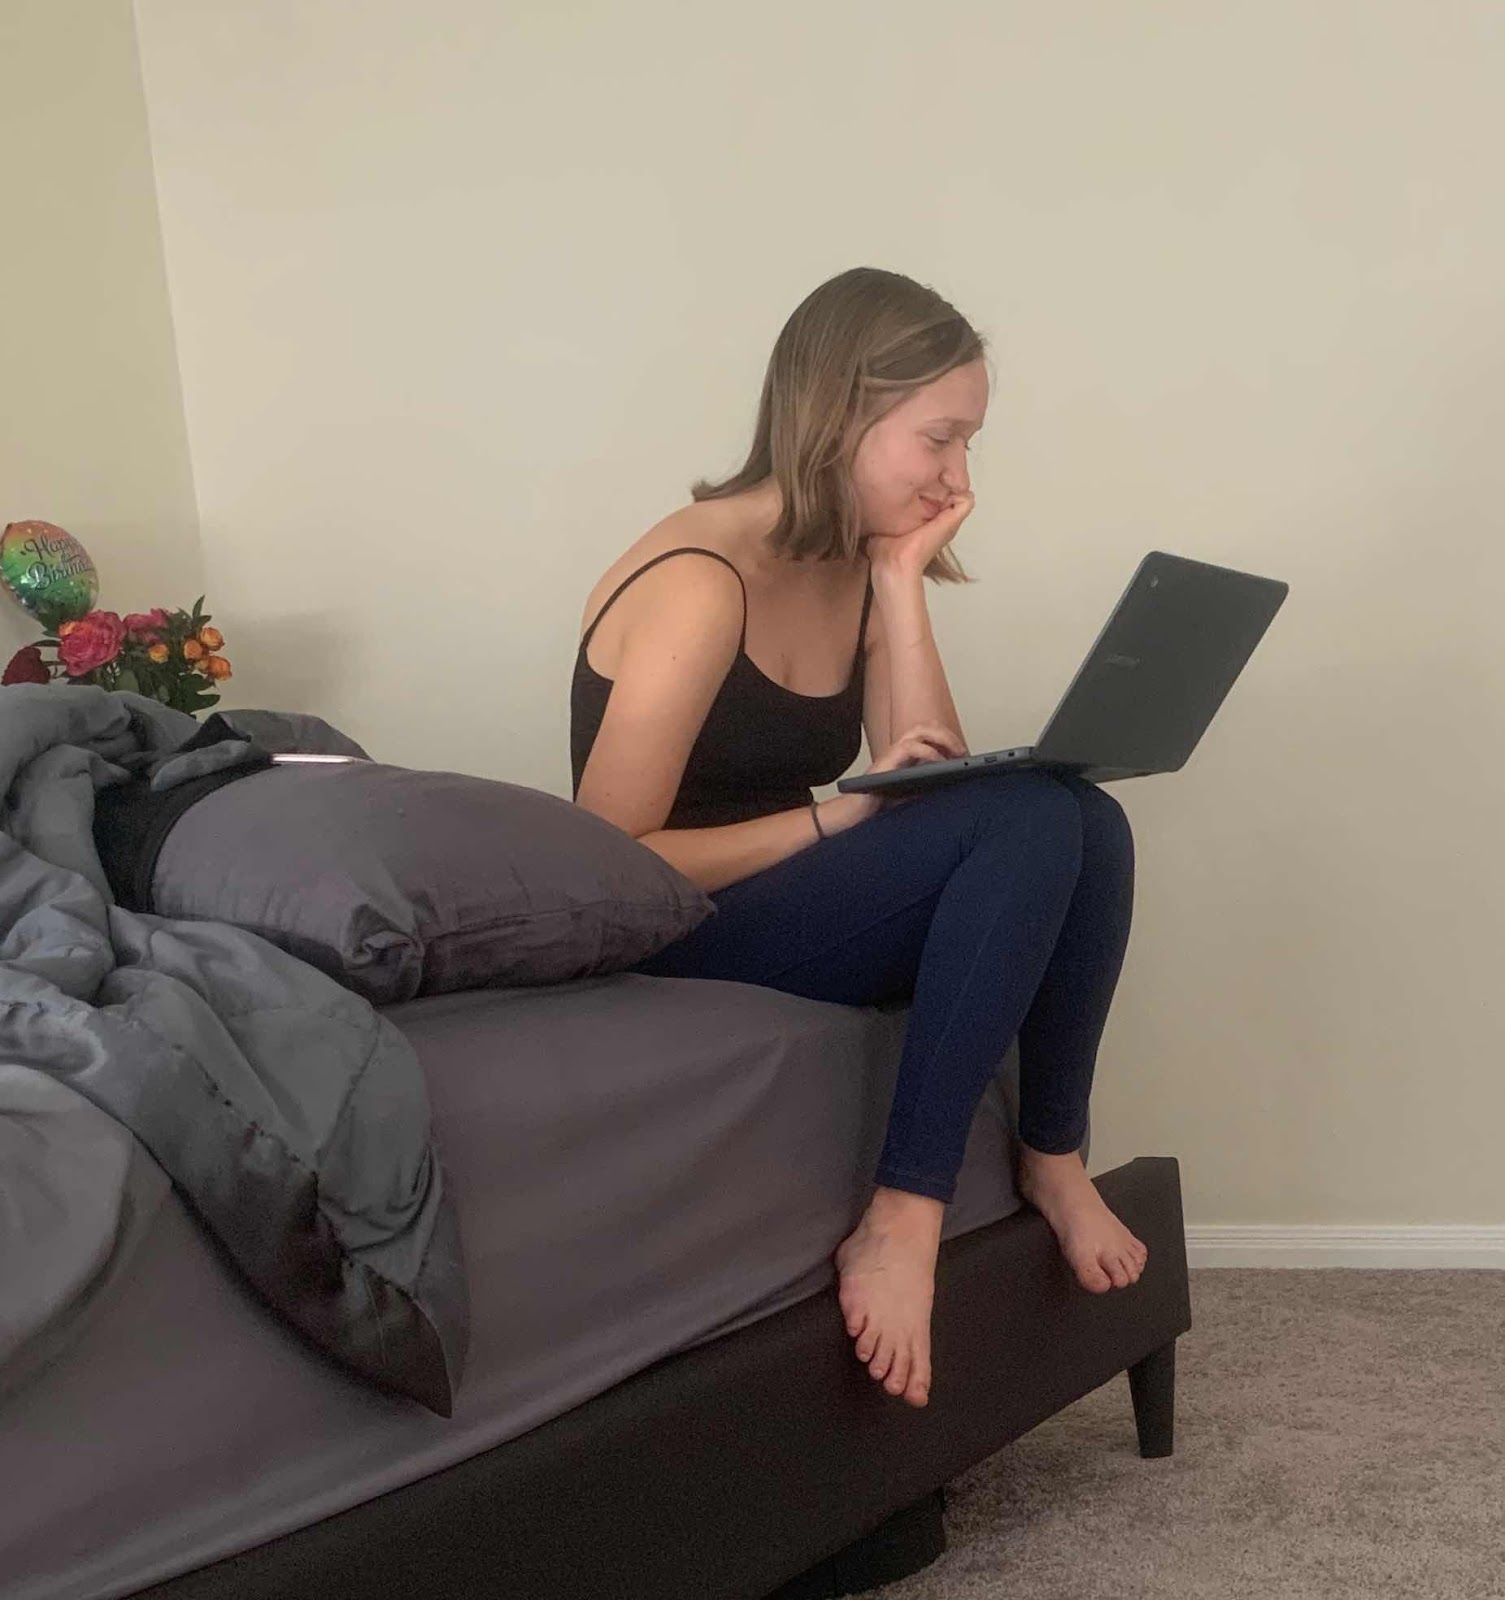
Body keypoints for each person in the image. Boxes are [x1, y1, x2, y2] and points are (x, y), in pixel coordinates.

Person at [569, 265, 1147, 1413]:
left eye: (967, 444)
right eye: (939, 439)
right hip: (672, 921)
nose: (957, 478)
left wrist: (897, 581)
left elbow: (933, 777)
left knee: (1081, 815)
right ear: (839, 412)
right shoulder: (699, 581)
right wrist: (833, 816)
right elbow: (605, 863)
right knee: (1031, 814)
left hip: (786, 893)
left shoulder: (849, 561)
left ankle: (1050, 1152)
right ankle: (902, 1211)